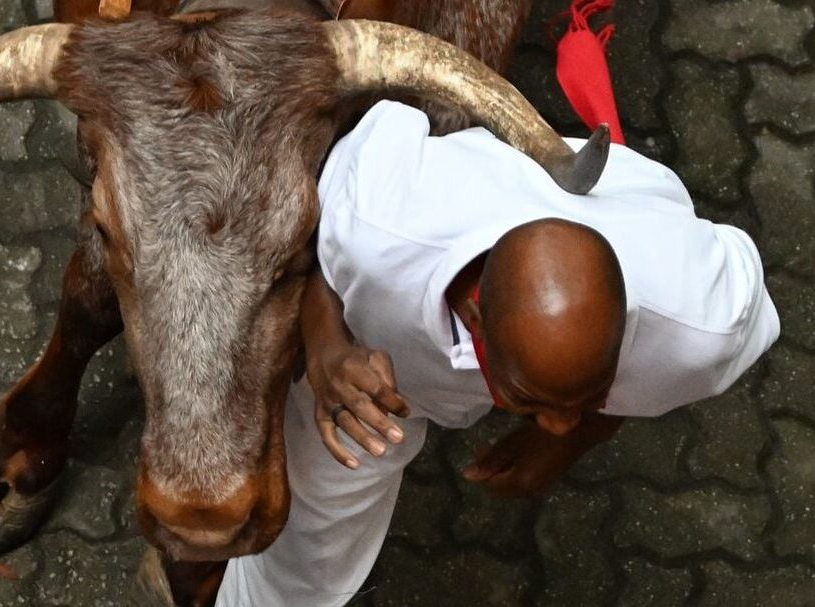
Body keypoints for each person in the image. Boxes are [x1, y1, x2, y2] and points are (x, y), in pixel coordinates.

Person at [213, 100, 780, 606]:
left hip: (634, 217)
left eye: (594, 390)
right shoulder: (379, 223)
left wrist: (577, 441)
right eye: (533, 400)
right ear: (475, 315)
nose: (558, 426)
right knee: (305, 542)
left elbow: (611, 391)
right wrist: (329, 353)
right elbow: (310, 245)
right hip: (382, 344)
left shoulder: (704, 324)